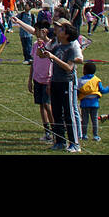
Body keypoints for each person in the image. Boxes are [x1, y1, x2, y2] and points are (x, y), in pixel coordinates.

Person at [43, 20, 84, 152]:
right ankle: (59, 141)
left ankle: (75, 143)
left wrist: (54, 58)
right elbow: (42, 55)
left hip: (67, 83)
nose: (57, 31)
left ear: (67, 34)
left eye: (61, 30)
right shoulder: (57, 47)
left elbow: (69, 68)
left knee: (69, 113)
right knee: (56, 113)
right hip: (55, 82)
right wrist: (41, 47)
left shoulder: (71, 48)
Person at [77, 62, 109, 142]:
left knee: (85, 120)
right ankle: (95, 136)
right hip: (94, 103)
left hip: (84, 104)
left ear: (84, 71)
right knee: (95, 120)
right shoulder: (96, 80)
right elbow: (102, 90)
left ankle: (84, 135)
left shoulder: (80, 81)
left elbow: (77, 92)